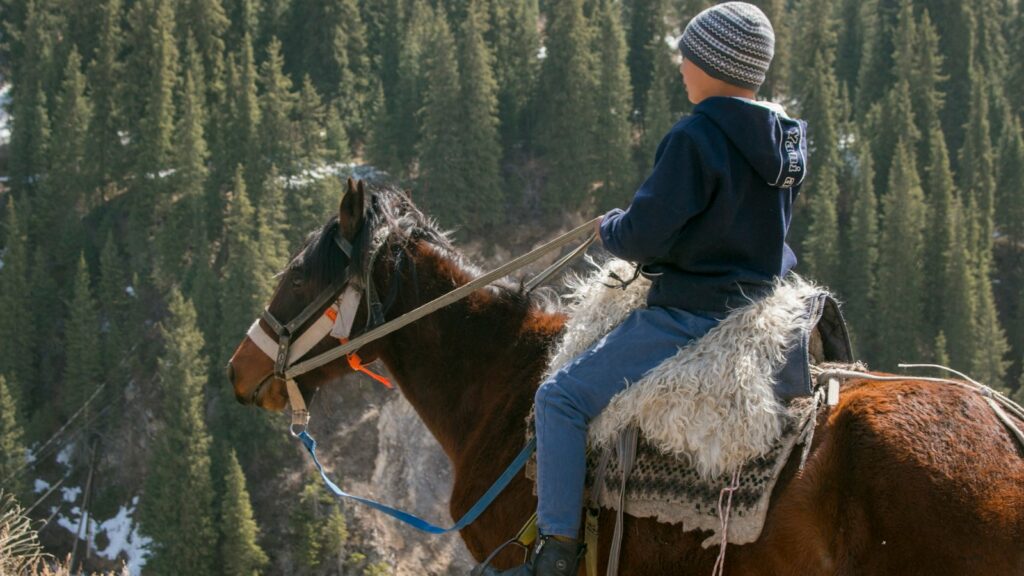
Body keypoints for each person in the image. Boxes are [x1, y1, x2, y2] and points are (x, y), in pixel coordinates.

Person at [486, 3, 808, 574]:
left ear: (713, 63)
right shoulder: (782, 139)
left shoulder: (696, 137)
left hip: (692, 312)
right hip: (759, 301)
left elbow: (641, 237)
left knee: (559, 398)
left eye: (690, 53)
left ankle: (556, 552)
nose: (681, 62)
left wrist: (610, 225)